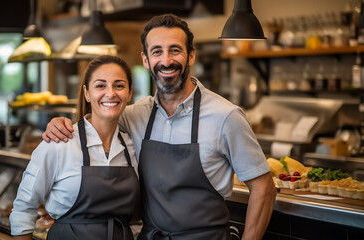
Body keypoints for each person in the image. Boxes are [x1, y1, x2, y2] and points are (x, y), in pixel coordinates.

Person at [42, 14, 277, 240]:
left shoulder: (226, 117)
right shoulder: (134, 115)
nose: (166, 61)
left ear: (191, 55)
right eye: (157, 52)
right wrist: (60, 124)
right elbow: (95, 123)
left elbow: (264, 188)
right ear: (146, 60)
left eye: (175, 50)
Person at [9, 55, 140, 240]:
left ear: (130, 92)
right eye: (100, 85)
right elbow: (24, 209)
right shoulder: (60, 143)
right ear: (86, 93)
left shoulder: (133, 146)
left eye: (119, 85)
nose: (110, 93)